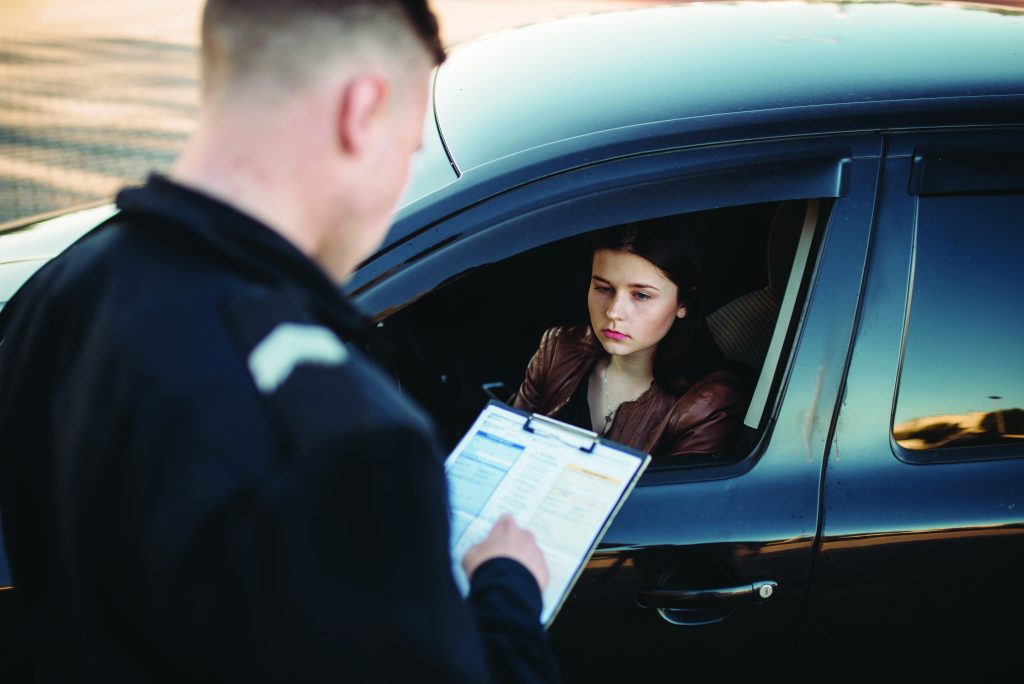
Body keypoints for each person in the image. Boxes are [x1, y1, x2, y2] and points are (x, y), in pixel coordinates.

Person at [0, 1, 559, 682]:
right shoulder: (352, 440)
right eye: (409, 150)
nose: (395, 192)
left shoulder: (60, 291)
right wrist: (507, 587)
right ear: (362, 109)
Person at [511, 222, 748, 460]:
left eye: (641, 295)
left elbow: (674, 497)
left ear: (683, 303)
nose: (614, 312)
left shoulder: (707, 404)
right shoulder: (559, 349)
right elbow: (505, 446)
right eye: (604, 288)